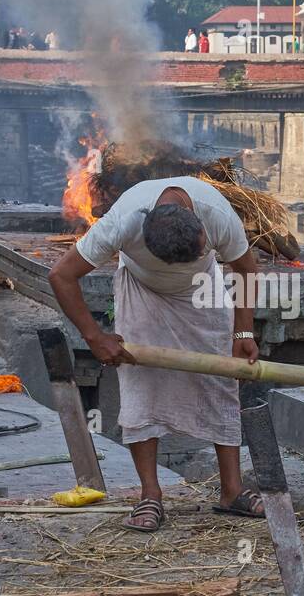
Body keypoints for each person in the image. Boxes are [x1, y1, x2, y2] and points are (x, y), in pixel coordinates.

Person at [47, 176, 263, 532]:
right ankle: (151, 495)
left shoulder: (217, 214)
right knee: (141, 385)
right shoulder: (122, 221)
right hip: (141, 289)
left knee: (221, 378)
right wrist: (94, 336)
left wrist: (243, 333)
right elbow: (61, 275)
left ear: (200, 232)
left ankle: (232, 491)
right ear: (144, 240)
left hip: (201, 288)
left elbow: (245, 270)